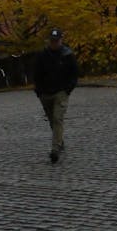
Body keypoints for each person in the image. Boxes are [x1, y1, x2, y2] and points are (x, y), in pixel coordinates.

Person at [33, 28, 79, 164]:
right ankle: (59, 140)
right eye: (52, 41)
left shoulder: (67, 55)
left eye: (56, 41)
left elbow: (74, 74)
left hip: (60, 92)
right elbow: (36, 74)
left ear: (61, 40)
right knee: (52, 119)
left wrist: (67, 89)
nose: (54, 43)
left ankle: (55, 149)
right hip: (45, 93)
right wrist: (39, 91)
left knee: (58, 118)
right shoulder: (42, 55)